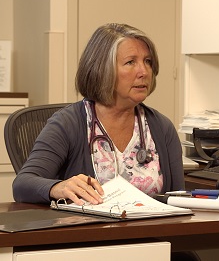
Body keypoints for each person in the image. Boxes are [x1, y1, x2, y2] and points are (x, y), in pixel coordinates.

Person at [12, 23, 185, 205]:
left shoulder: (161, 127)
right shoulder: (68, 123)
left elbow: (179, 199)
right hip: (88, 231)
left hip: (151, 230)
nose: (144, 72)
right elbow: (23, 184)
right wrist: (58, 187)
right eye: (130, 62)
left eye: (148, 61)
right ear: (102, 70)